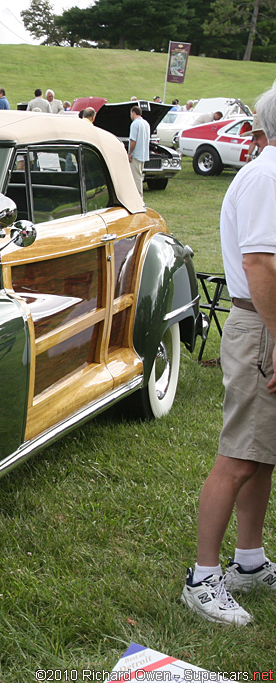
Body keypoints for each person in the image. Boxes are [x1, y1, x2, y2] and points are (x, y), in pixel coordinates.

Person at [181, 86, 276, 627]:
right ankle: (202, 577)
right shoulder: (266, 178)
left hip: (265, 326)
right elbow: (260, 265)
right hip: (261, 327)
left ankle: (249, 561)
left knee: (261, 453)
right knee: (239, 455)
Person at [127, 105, 150, 198]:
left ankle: (138, 198)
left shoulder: (135, 124)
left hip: (136, 154)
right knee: (139, 176)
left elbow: (133, 140)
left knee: (136, 177)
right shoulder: (146, 123)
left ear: (133, 113)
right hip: (144, 154)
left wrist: (129, 152)